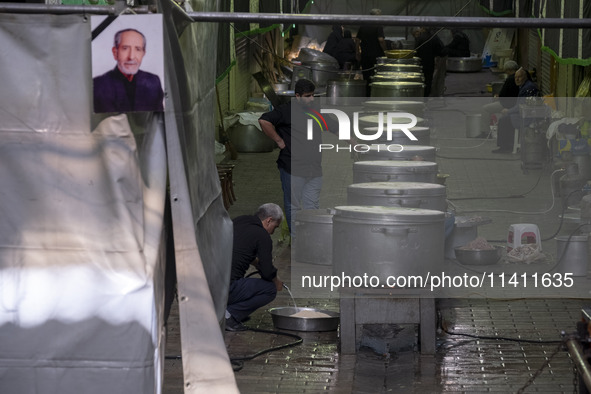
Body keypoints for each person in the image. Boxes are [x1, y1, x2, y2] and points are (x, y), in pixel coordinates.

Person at [258, 79, 333, 234]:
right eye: (308, 96)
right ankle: (297, 240)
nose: (311, 99)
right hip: (292, 168)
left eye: (313, 95)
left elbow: (334, 126)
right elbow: (264, 120)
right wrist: (279, 140)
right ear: (297, 96)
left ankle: (311, 239)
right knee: (294, 206)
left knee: (312, 206)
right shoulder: (286, 111)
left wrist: (353, 141)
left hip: (314, 169)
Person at [225, 203, 284, 331]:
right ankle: (229, 315)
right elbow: (268, 273)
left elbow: (239, 250)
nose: (273, 232)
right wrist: (276, 281)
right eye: (275, 227)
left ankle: (228, 310)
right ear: (269, 220)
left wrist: (257, 263)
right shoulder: (262, 236)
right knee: (270, 289)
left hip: (206, 284)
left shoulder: (239, 221)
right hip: (226, 288)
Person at [93, 28, 164, 113]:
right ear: (115, 52)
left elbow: (159, 119)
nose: (131, 56)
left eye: (138, 49)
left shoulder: (153, 82)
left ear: (143, 53)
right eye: (125, 48)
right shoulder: (97, 85)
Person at [492, 68, 540, 153]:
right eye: (515, 77)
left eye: (519, 77)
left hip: (528, 116)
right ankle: (508, 144)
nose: (517, 79)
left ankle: (505, 147)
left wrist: (508, 111)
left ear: (525, 77)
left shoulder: (527, 88)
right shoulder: (524, 86)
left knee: (504, 120)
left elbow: (521, 106)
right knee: (506, 118)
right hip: (525, 113)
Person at [479, 60, 521, 135]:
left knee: (485, 109)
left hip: (507, 104)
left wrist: (498, 97)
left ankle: (485, 132)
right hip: (515, 102)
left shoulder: (510, 79)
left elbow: (504, 94)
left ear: (509, 70)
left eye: (506, 70)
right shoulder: (520, 77)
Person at [356, 9, 387, 94]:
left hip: (365, 55)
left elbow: (357, 40)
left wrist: (357, 52)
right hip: (376, 55)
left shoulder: (363, 25)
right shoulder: (378, 25)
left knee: (366, 76)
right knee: (376, 76)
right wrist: (386, 52)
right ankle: (375, 94)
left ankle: (367, 95)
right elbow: (381, 40)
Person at [412, 27, 444, 97]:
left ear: (423, 29)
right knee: (428, 80)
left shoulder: (420, 38)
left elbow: (415, 51)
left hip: (421, 63)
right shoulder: (434, 37)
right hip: (430, 63)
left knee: (420, 80)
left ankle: (420, 94)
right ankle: (426, 96)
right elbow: (440, 50)